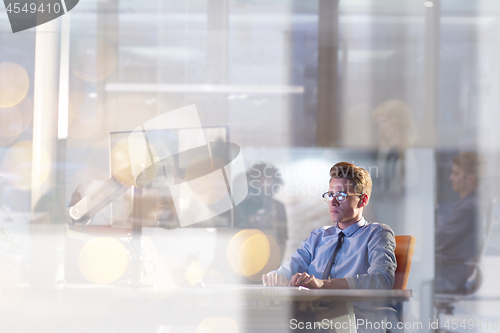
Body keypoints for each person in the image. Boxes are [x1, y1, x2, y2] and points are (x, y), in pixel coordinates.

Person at [262, 161, 396, 290]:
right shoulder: (318, 236)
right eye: (330, 195)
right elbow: (291, 267)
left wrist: (323, 284)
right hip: (313, 311)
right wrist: (276, 276)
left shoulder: (377, 234)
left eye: (341, 196)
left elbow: (382, 280)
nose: (333, 202)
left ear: (363, 200)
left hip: (354, 311)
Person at [435, 152, 484, 293]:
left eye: (456, 174)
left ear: (470, 179)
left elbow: (438, 236)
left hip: (448, 276)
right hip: (449, 271)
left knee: (404, 277)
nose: (451, 178)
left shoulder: (469, 207)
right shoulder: (469, 204)